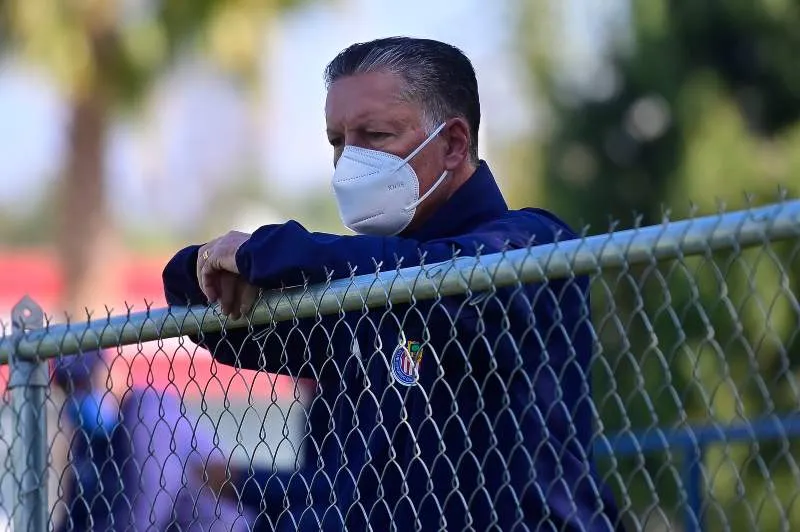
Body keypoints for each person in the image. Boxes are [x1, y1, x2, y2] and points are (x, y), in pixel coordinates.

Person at [163, 37, 622, 531]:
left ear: (453, 145)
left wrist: (265, 253)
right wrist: (204, 268)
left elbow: (447, 279)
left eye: (376, 135)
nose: (349, 163)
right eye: (338, 141)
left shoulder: (532, 244)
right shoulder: (360, 283)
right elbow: (231, 331)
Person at [51, 349, 252, 531]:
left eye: (84, 383)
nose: (77, 395)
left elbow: (147, 516)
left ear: (111, 372)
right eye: (68, 387)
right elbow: (75, 511)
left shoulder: (149, 415)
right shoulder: (91, 434)